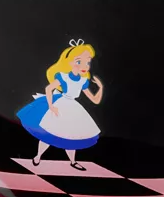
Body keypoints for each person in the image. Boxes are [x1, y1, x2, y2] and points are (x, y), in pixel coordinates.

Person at [16, 39, 104, 170]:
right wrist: (51, 106)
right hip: (61, 104)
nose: (84, 66)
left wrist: (100, 87)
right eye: (78, 62)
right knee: (48, 132)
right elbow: (48, 89)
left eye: (87, 62)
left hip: (74, 109)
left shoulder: (83, 81)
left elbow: (95, 100)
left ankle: (72, 161)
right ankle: (38, 156)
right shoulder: (64, 77)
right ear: (69, 62)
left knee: (71, 136)